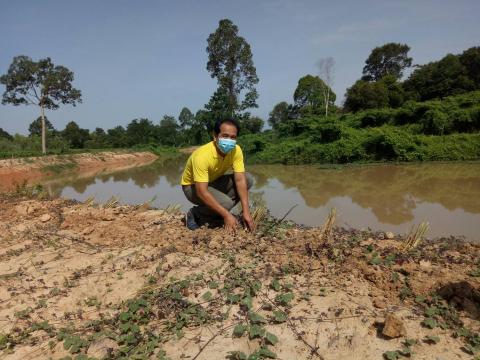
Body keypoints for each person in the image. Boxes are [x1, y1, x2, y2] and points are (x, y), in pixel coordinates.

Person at [181, 118, 255, 232]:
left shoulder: (236, 150)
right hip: (192, 187)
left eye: (233, 137)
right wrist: (226, 215)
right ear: (215, 136)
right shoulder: (202, 156)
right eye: (225, 136)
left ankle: (216, 210)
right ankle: (195, 213)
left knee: (248, 179)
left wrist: (246, 211)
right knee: (226, 203)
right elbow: (201, 191)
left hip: (213, 182)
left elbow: (240, 179)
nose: (229, 140)